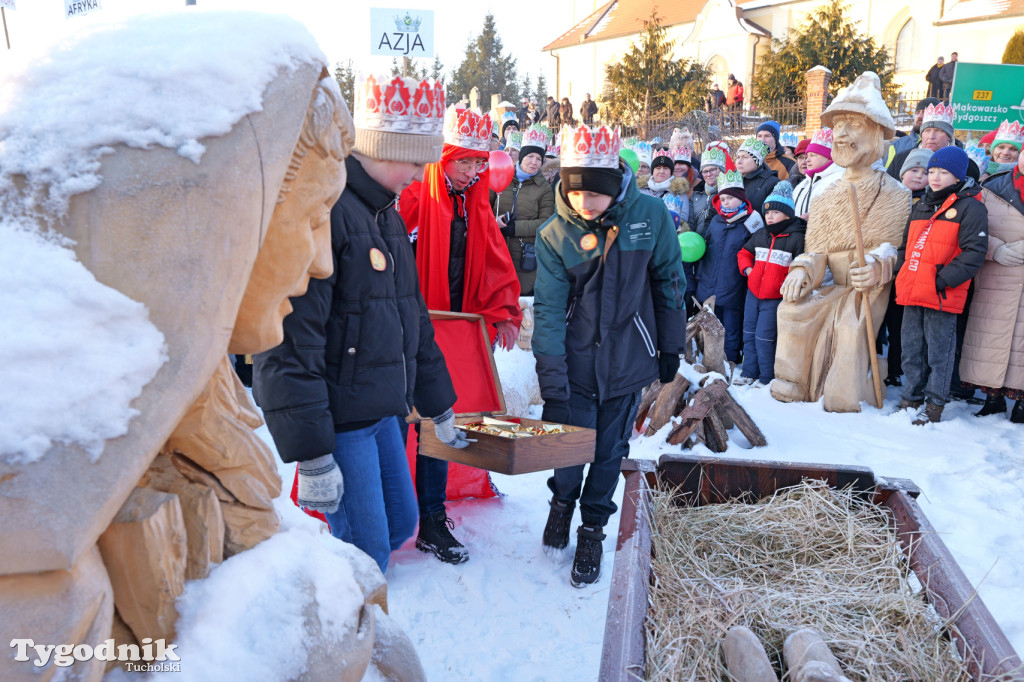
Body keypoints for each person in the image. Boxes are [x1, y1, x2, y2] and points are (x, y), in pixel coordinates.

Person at [252, 74, 471, 573]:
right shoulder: (324, 211)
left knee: (400, 525)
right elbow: (287, 339)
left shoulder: (386, 214)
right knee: (364, 553)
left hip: (384, 412)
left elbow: (410, 316)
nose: (420, 175)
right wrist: (313, 453)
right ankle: (347, 633)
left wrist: (439, 405)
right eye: (415, 161)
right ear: (384, 149)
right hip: (342, 420)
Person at [533, 123, 686, 587]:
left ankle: (593, 528)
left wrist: (670, 344)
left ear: (613, 182)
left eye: (595, 195)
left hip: (626, 361)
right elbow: (549, 311)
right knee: (568, 448)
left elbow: (668, 282)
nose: (585, 204)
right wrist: (552, 381)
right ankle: (561, 503)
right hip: (577, 364)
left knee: (608, 453)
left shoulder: (650, 216)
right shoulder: (554, 234)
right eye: (576, 194)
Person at [399, 105, 523, 563]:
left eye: (478, 163)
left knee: (438, 423)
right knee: (395, 425)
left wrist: (504, 313)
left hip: (455, 331)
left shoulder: (475, 202)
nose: (472, 172)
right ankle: (389, 516)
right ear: (443, 157)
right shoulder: (412, 196)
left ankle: (431, 518)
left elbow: (494, 259)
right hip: (404, 331)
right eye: (462, 162)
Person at [771, 71, 912, 414]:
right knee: (791, 308)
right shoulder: (824, 192)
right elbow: (815, 250)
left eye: (855, 124)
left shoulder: (895, 192)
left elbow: (891, 248)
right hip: (831, 283)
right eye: (838, 125)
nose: (843, 134)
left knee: (851, 326)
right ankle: (793, 382)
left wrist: (878, 266)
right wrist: (802, 269)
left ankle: (843, 395)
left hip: (865, 290)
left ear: (878, 133)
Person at [894, 146, 988, 424]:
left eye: (943, 172)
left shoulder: (970, 206)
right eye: (930, 171)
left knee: (939, 352)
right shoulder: (922, 204)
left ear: (957, 176)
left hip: (941, 292)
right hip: (912, 289)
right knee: (910, 349)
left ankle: (934, 404)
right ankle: (910, 396)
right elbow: (905, 246)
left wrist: (941, 281)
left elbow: (974, 252)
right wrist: (902, 272)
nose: (934, 177)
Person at [962, 123, 1024, 423]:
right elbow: (974, 229)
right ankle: (993, 397)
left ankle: (1022, 400)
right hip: (998, 273)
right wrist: (996, 249)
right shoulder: (992, 186)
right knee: (990, 337)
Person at [696, 155, 764, 363]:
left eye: (731, 198)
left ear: (741, 198)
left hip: (734, 284)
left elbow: (754, 252)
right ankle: (708, 360)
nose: (726, 202)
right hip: (708, 283)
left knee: (731, 328)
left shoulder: (751, 222)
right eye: (723, 199)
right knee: (708, 326)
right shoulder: (716, 221)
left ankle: (730, 361)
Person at [736, 181, 806, 386]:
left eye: (775, 212)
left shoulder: (796, 238)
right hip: (753, 294)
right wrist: (748, 270)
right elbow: (744, 253)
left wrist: (786, 282)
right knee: (748, 334)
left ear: (787, 214)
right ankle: (748, 372)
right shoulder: (761, 235)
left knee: (765, 339)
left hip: (774, 298)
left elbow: (800, 265)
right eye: (767, 212)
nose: (769, 216)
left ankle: (766, 377)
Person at [878, 147, 934, 388]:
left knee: (902, 325)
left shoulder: (930, 202)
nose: (919, 176)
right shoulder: (890, 198)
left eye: (925, 171)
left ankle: (897, 368)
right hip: (885, 269)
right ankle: (883, 365)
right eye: (914, 170)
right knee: (884, 320)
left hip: (910, 271)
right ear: (902, 173)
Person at [491, 123, 556, 296]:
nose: (534, 162)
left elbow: (546, 222)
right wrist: (493, 221)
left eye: (539, 159)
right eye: (530, 156)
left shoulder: (544, 188)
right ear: (522, 156)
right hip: (496, 251)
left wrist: (515, 228)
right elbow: (484, 208)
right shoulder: (501, 175)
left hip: (525, 257)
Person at [792, 128, 843, 219]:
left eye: (813, 155)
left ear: (828, 157)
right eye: (807, 156)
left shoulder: (839, 180)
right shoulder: (804, 184)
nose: (807, 160)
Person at [734, 136, 779, 216]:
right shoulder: (732, 181)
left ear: (757, 162)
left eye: (745, 157)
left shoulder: (772, 183)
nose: (739, 161)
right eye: (738, 157)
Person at [887, 98, 941, 162]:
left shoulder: (946, 144)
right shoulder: (897, 145)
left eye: (925, 112)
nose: (919, 116)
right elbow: (887, 171)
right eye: (917, 113)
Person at [639, 149, 690, 217]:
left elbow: (683, 218)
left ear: (671, 172)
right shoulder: (640, 190)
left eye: (665, 168)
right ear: (652, 171)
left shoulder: (678, 192)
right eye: (658, 168)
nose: (662, 171)